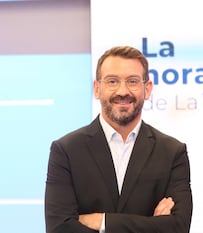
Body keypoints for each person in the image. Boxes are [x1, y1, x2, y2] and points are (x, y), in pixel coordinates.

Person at [45, 45, 193, 233]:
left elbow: (177, 228)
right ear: (97, 88)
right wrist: (152, 226)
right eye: (112, 81)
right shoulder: (66, 150)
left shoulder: (172, 152)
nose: (122, 91)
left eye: (132, 81)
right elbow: (59, 228)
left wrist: (103, 222)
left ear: (147, 89)